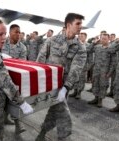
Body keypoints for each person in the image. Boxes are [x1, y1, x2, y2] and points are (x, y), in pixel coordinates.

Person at [35, 13, 87, 141]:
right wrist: (38, 80)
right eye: (78, 24)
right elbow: (40, 60)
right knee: (60, 111)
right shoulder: (52, 41)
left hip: (63, 86)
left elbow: (76, 69)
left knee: (58, 110)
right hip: (48, 83)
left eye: (81, 24)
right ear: (68, 25)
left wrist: (65, 88)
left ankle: (43, 134)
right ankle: (47, 134)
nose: (81, 27)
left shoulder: (80, 47)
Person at [1, 24, 27, 134]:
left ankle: (18, 124)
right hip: (1, 76)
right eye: (16, 32)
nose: (18, 34)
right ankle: (4, 119)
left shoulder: (22, 47)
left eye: (19, 32)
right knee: (3, 100)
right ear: (10, 33)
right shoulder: (1, 44)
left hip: (15, 77)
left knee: (14, 98)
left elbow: (22, 64)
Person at [86, 33, 114, 107]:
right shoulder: (97, 47)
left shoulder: (111, 49)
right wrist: (94, 42)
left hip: (105, 71)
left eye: (105, 39)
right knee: (95, 84)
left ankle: (100, 100)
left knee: (103, 85)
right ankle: (95, 98)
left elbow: (113, 62)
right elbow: (88, 50)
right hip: (96, 70)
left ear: (108, 39)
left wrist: (110, 72)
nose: (103, 40)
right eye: (102, 38)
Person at [69, 32, 89, 99]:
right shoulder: (76, 45)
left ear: (86, 37)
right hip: (75, 65)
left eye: (82, 36)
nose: (80, 37)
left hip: (83, 66)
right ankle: (75, 91)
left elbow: (90, 58)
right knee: (75, 78)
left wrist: (88, 67)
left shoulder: (88, 45)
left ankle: (79, 93)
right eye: (79, 36)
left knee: (81, 80)